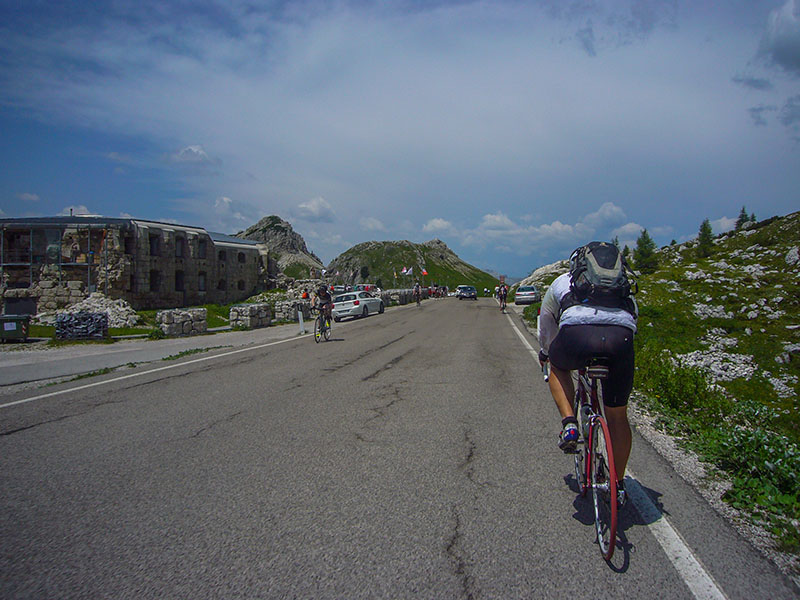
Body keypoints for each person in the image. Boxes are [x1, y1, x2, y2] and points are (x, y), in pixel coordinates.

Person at [537, 248, 637, 506]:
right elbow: (632, 319)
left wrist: (546, 352)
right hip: (620, 342)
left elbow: (546, 319)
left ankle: (570, 424)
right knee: (617, 416)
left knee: (557, 366)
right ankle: (618, 484)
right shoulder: (624, 286)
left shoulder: (563, 282)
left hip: (576, 339)